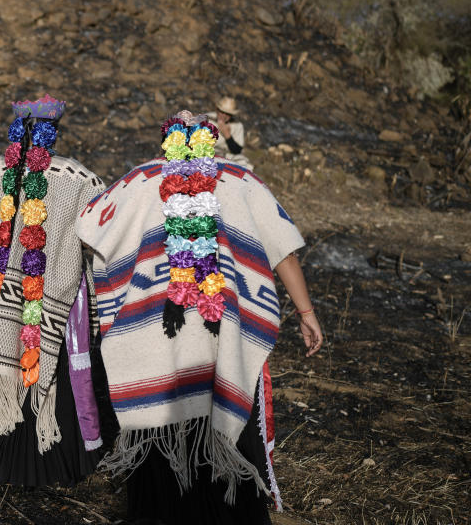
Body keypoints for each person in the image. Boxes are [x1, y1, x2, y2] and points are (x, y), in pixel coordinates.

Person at [75, 110, 323, 524]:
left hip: (155, 330)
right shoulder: (242, 182)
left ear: (167, 141)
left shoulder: (137, 182)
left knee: (162, 425)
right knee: (226, 420)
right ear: (212, 141)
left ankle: (161, 512)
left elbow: (92, 234)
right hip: (224, 328)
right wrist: (306, 312)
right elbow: (283, 251)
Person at [0, 94, 106, 487]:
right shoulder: (78, 178)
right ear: (54, 131)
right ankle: (56, 457)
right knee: (54, 364)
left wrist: (2, 250)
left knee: (2, 354)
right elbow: (103, 234)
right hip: (57, 293)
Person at [207, 96, 253, 170]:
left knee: (244, 163)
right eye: (222, 112)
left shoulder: (237, 126)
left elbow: (237, 150)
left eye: (227, 114)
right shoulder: (207, 120)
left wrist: (227, 135)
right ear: (217, 110)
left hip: (227, 155)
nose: (224, 116)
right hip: (208, 151)